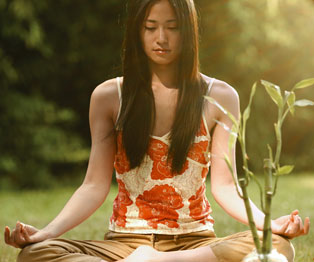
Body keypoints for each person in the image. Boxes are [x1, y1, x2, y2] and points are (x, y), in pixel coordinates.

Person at [4, 0, 310, 261]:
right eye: (150, 27)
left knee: (277, 246)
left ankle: (163, 261)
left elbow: (226, 187)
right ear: (137, 32)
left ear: (188, 31)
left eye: (172, 27)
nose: (161, 37)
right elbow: (94, 185)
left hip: (194, 244)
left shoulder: (220, 96)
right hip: (122, 245)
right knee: (35, 253)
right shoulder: (109, 97)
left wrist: (268, 223)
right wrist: (45, 233)